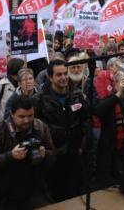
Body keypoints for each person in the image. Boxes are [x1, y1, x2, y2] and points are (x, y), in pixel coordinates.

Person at [0, 95, 55, 210]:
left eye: (30, 116)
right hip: (3, 193)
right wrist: (10, 156)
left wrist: (45, 155)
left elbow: (52, 155)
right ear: (11, 114)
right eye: (21, 117)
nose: (26, 121)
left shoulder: (40, 127)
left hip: (32, 189)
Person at [36, 59, 89, 202]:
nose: (64, 78)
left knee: (74, 195)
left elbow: (85, 121)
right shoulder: (40, 100)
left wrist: (82, 145)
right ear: (50, 77)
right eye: (59, 75)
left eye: (65, 73)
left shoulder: (77, 95)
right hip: (53, 156)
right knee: (56, 195)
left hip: (74, 153)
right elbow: (37, 127)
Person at [0, 58, 25, 122]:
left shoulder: (24, 85)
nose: (25, 71)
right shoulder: (0, 85)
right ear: (16, 68)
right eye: (23, 68)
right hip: (3, 122)